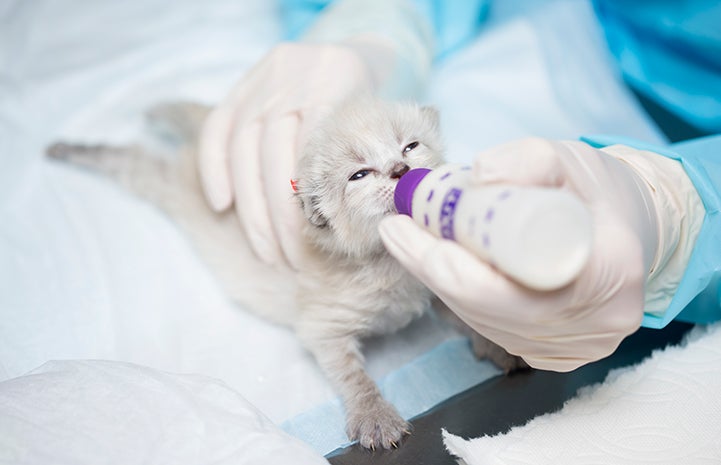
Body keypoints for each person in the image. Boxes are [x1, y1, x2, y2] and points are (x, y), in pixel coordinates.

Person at [198, 0, 721, 372]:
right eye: (362, 174)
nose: (399, 173)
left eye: (407, 153)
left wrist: (675, 204)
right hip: (614, 38)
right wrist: (376, 26)